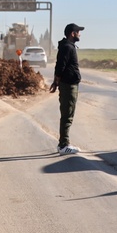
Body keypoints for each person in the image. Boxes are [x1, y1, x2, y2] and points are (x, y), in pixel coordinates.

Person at [51, 23, 84, 155]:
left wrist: (56, 81)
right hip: (68, 86)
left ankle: (63, 144)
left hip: (69, 84)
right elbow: (60, 66)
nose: (80, 34)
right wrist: (56, 81)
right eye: (78, 32)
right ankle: (64, 145)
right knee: (67, 115)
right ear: (72, 33)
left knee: (67, 114)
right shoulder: (67, 47)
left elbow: (59, 66)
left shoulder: (68, 46)